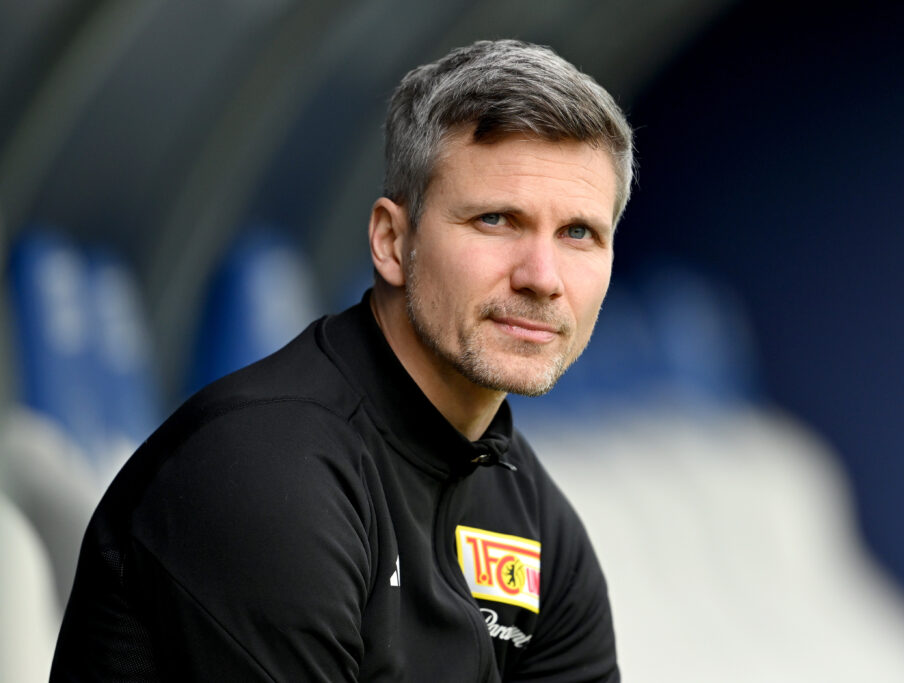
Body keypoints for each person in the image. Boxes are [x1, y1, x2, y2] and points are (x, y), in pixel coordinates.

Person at [50, 39, 634, 681]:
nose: (542, 277)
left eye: (579, 233)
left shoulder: (526, 507)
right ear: (391, 241)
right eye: (495, 220)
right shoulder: (265, 472)